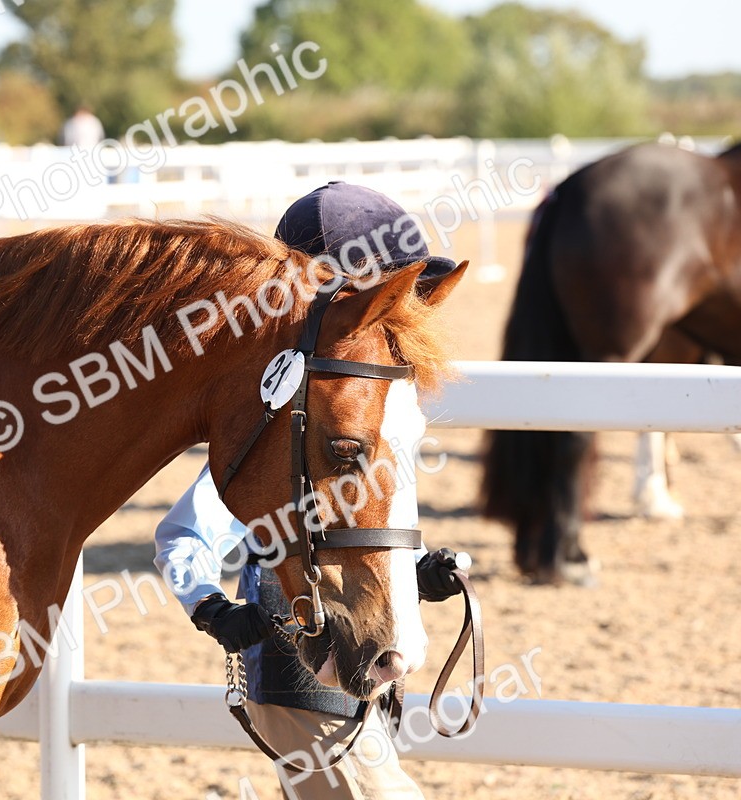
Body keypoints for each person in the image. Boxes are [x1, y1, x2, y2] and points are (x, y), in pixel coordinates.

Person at [154, 182, 467, 799]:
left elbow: (362, 525)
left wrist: (413, 573)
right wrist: (212, 609)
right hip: (303, 673)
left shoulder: (351, 412)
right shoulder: (278, 436)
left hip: (354, 665)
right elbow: (186, 533)